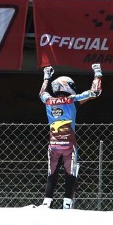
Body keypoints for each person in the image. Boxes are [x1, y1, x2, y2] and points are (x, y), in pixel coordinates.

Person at [38, 64, 102, 209]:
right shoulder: (72, 100)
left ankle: (47, 202)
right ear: (66, 86)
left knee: (51, 173)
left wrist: (46, 76)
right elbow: (96, 92)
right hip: (69, 145)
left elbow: (42, 92)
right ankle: (67, 202)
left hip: (53, 144)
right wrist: (97, 73)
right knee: (70, 173)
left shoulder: (47, 100)